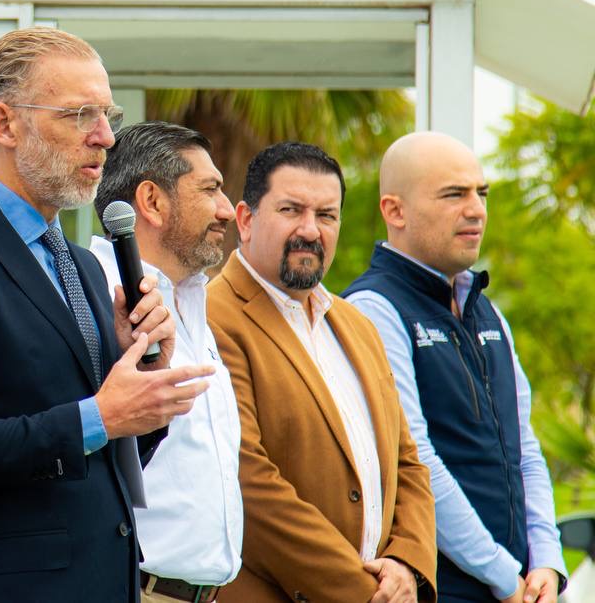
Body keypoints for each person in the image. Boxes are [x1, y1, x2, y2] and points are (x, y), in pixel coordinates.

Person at [0, 27, 214, 603]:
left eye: (107, 115)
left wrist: (140, 379)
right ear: (5, 124)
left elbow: (103, 455)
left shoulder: (82, 265)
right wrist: (98, 416)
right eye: (80, 115)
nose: (105, 137)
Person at [207, 141, 437, 603]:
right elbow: (248, 483)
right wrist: (363, 592)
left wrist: (407, 563)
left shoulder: (357, 324)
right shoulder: (211, 317)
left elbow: (407, 461)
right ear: (245, 219)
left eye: (327, 215)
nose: (310, 230)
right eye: (291, 210)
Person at [344, 131, 566, 603]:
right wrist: (503, 575)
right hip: (440, 588)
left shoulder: (487, 311)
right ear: (395, 211)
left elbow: (524, 447)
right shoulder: (372, 309)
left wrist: (547, 560)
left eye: (481, 193)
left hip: (518, 585)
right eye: (454, 195)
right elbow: (417, 459)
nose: (476, 210)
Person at [91, 122, 242, 602]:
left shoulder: (192, 301)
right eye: (210, 190)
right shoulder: (91, 300)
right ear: (152, 202)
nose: (227, 210)